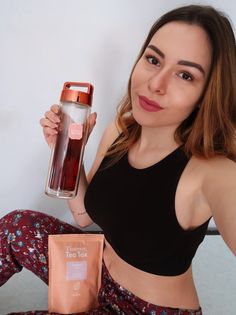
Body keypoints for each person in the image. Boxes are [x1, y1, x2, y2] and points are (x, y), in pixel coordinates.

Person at [1, 4, 236, 315]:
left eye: (185, 74)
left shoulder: (214, 172)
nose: (156, 84)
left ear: (208, 92)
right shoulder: (120, 131)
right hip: (96, 274)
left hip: (149, 309)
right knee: (15, 226)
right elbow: (84, 216)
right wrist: (72, 154)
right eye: (153, 60)